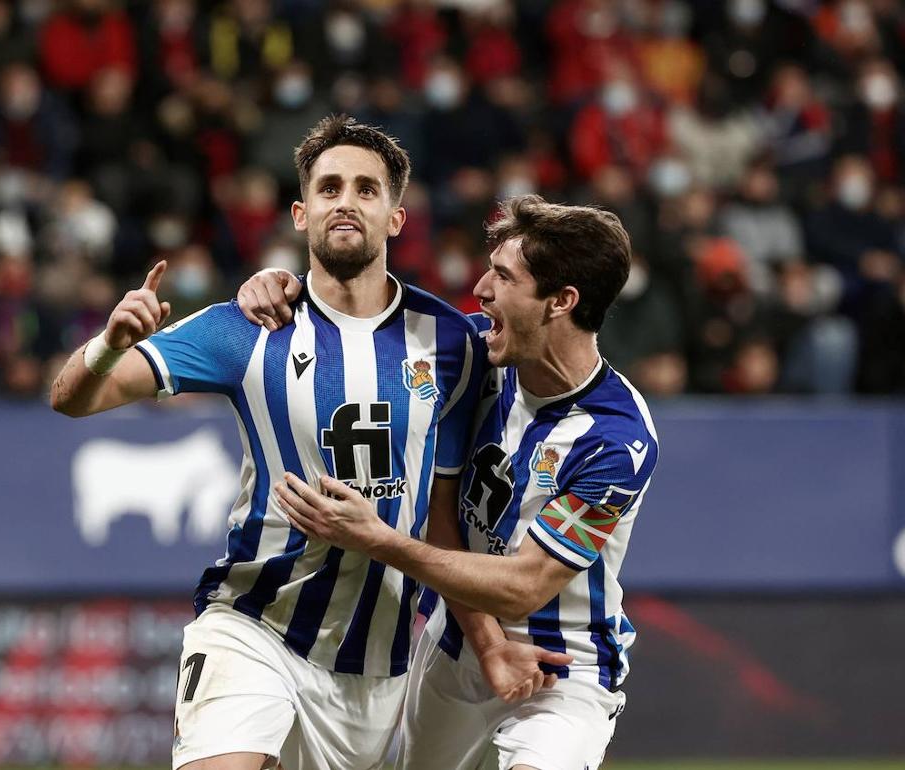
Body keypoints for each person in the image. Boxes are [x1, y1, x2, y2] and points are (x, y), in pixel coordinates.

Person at [50, 116, 556, 770]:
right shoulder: (247, 326)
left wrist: (487, 644)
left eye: (367, 190)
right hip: (255, 626)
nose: (346, 200)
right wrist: (109, 341)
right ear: (301, 212)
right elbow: (73, 397)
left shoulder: (453, 344)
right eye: (330, 187)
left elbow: (441, 514)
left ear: (396, 218)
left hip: (380, 668)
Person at [242, 195, 658, 770]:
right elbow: (356, 326)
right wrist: (276, 286)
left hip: (563, 669)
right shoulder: (472, 361)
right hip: (455, 642)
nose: (481, 290)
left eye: (504, 277)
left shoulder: (616, 440)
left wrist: (376, 539)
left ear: (561, 302)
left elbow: (525, 586)